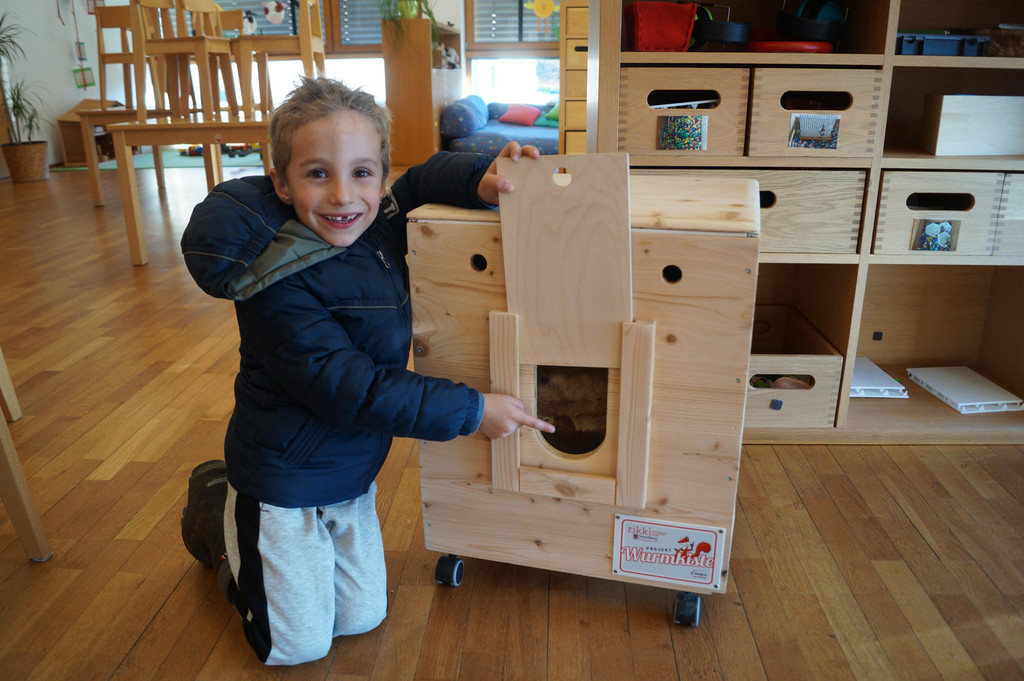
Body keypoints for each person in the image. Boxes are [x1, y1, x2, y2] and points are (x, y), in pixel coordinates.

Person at [179, 75, 553, 666]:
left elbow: (421, 182)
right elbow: (351, 388)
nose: (342, 196)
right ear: (281, 182)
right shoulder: (276, 283)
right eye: (317, 173)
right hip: (282, 483)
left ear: (380, 178)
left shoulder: (374, 225)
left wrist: (478, 177)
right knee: (293, 645)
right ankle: (218, 511)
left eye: (361, 173)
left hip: (351, 473)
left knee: (362, 617)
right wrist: (472, 410)